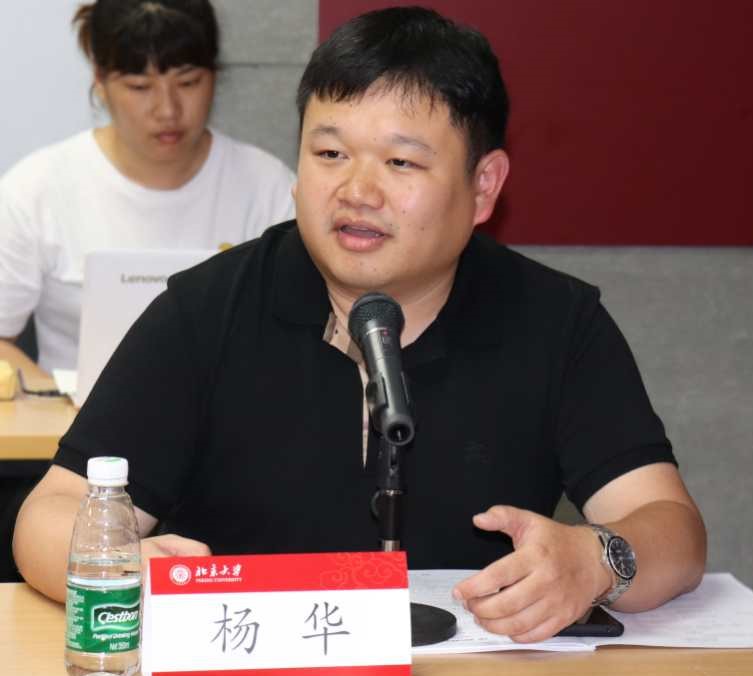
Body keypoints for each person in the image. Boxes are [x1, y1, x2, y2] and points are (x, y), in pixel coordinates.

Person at [14, 7, 706, 643]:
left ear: (484, 185)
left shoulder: (556, 321)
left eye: (401, 162)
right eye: (329, 154)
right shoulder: (204, 310)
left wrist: (597, 559)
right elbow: (51, 513)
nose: (356, 191)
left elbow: (671, 528)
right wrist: (122, 565)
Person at [0, 0, 295, 380]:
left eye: (188, 82)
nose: (167, 110)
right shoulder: (35, 191)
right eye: (139, 87)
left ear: (214, 76)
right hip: (72, 413)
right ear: (100, 81)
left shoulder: (271, 190)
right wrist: (53, 400)